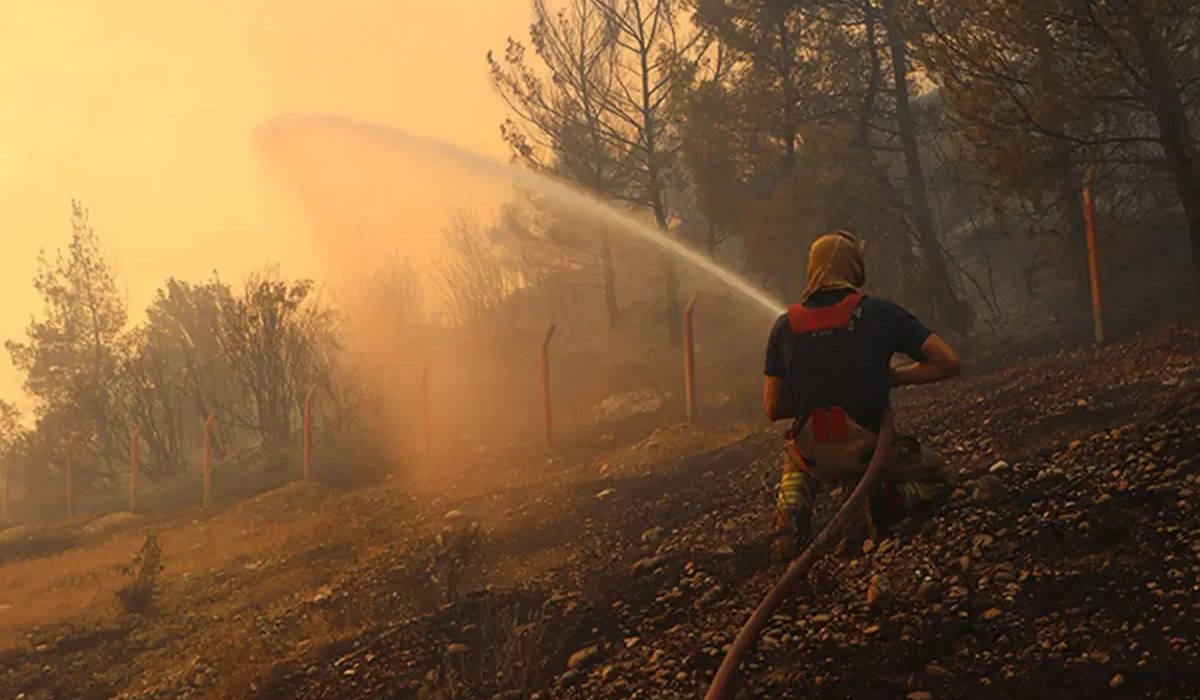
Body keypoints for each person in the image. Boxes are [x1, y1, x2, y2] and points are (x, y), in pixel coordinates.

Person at [762, 231, 962, 559]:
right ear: (854, 266)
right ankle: (884, 504)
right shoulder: (881, 314)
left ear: (813, 268)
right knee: (943, 478)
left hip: (814, 457)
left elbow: (772, 406)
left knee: (795, 461)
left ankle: (790, 516)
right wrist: (894, 378)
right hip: (870, 452)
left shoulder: (785, 326)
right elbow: (948, 362)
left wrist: (816, 395)